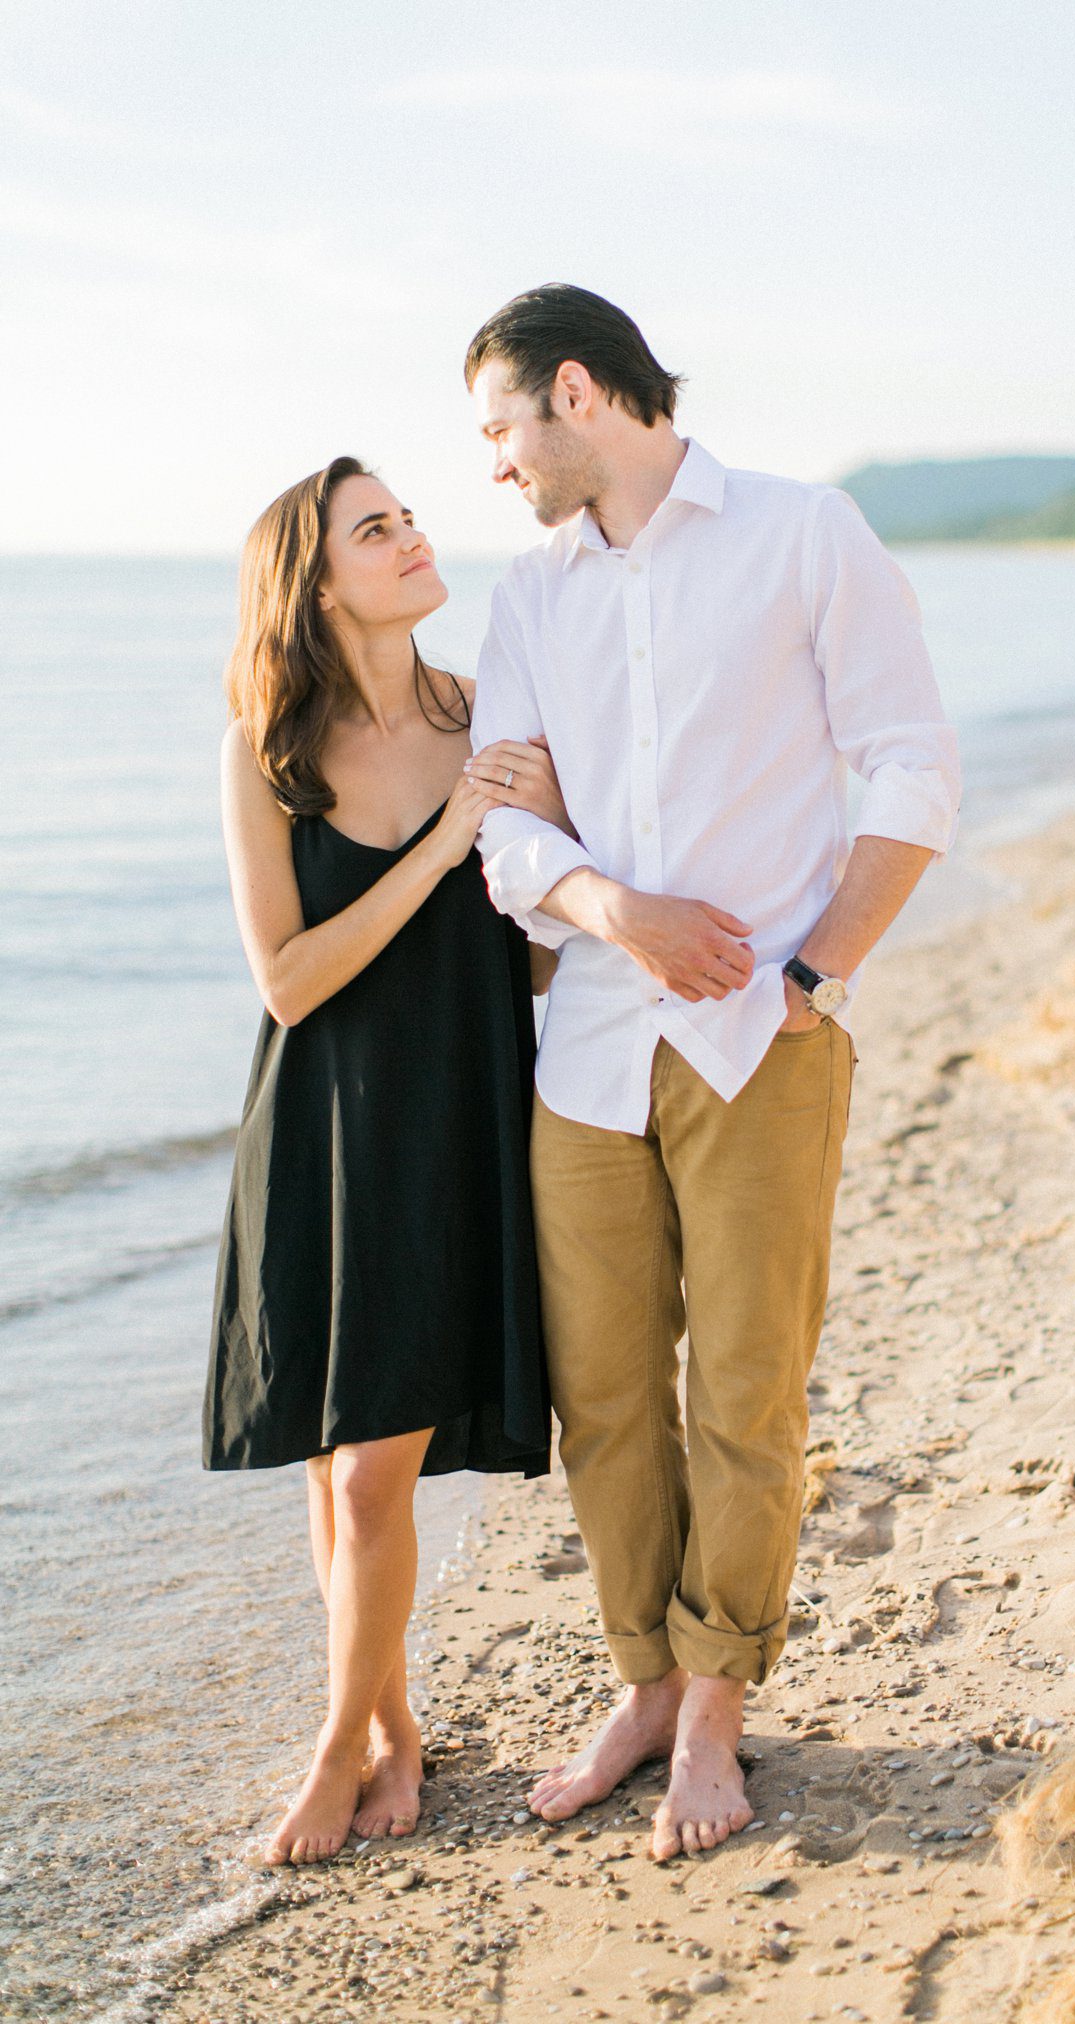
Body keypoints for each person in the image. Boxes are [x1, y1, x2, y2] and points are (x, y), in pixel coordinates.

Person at [462, 286, 962, 1863]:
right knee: (603, 1397)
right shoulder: (528, 594)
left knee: (743, 1391)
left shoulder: (804, 534)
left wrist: (822, 966)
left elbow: (912, 760)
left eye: (499, 430)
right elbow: (507, 825)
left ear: (576, 395)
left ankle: (720, 1701)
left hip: (765, 1043)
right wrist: (611, 906)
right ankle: (644, 1687)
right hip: (588, 1051)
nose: (494, 466)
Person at [204, 455, 566, 1866]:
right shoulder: (263, 748)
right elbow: (290, 981)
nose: (412, 536)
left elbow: (533, 952)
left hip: (453, 1122)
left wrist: (540, 842)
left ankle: (331, 1749)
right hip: (320, 1132)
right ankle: (389, 1731)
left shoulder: (492, 715)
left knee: (371, 1479)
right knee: (328, 1468)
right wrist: (449, 837)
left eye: (408, 517)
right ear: (317, 577)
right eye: (376, 528)